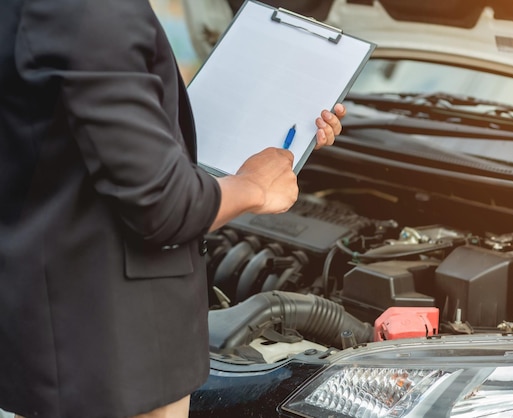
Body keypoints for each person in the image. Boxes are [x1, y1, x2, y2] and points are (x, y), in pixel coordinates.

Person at [0, 1, 346, 417]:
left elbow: (66, 142)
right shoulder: (95, 11)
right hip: (115, 361)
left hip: (56, 333)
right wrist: (253, 186)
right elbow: (162, 204)